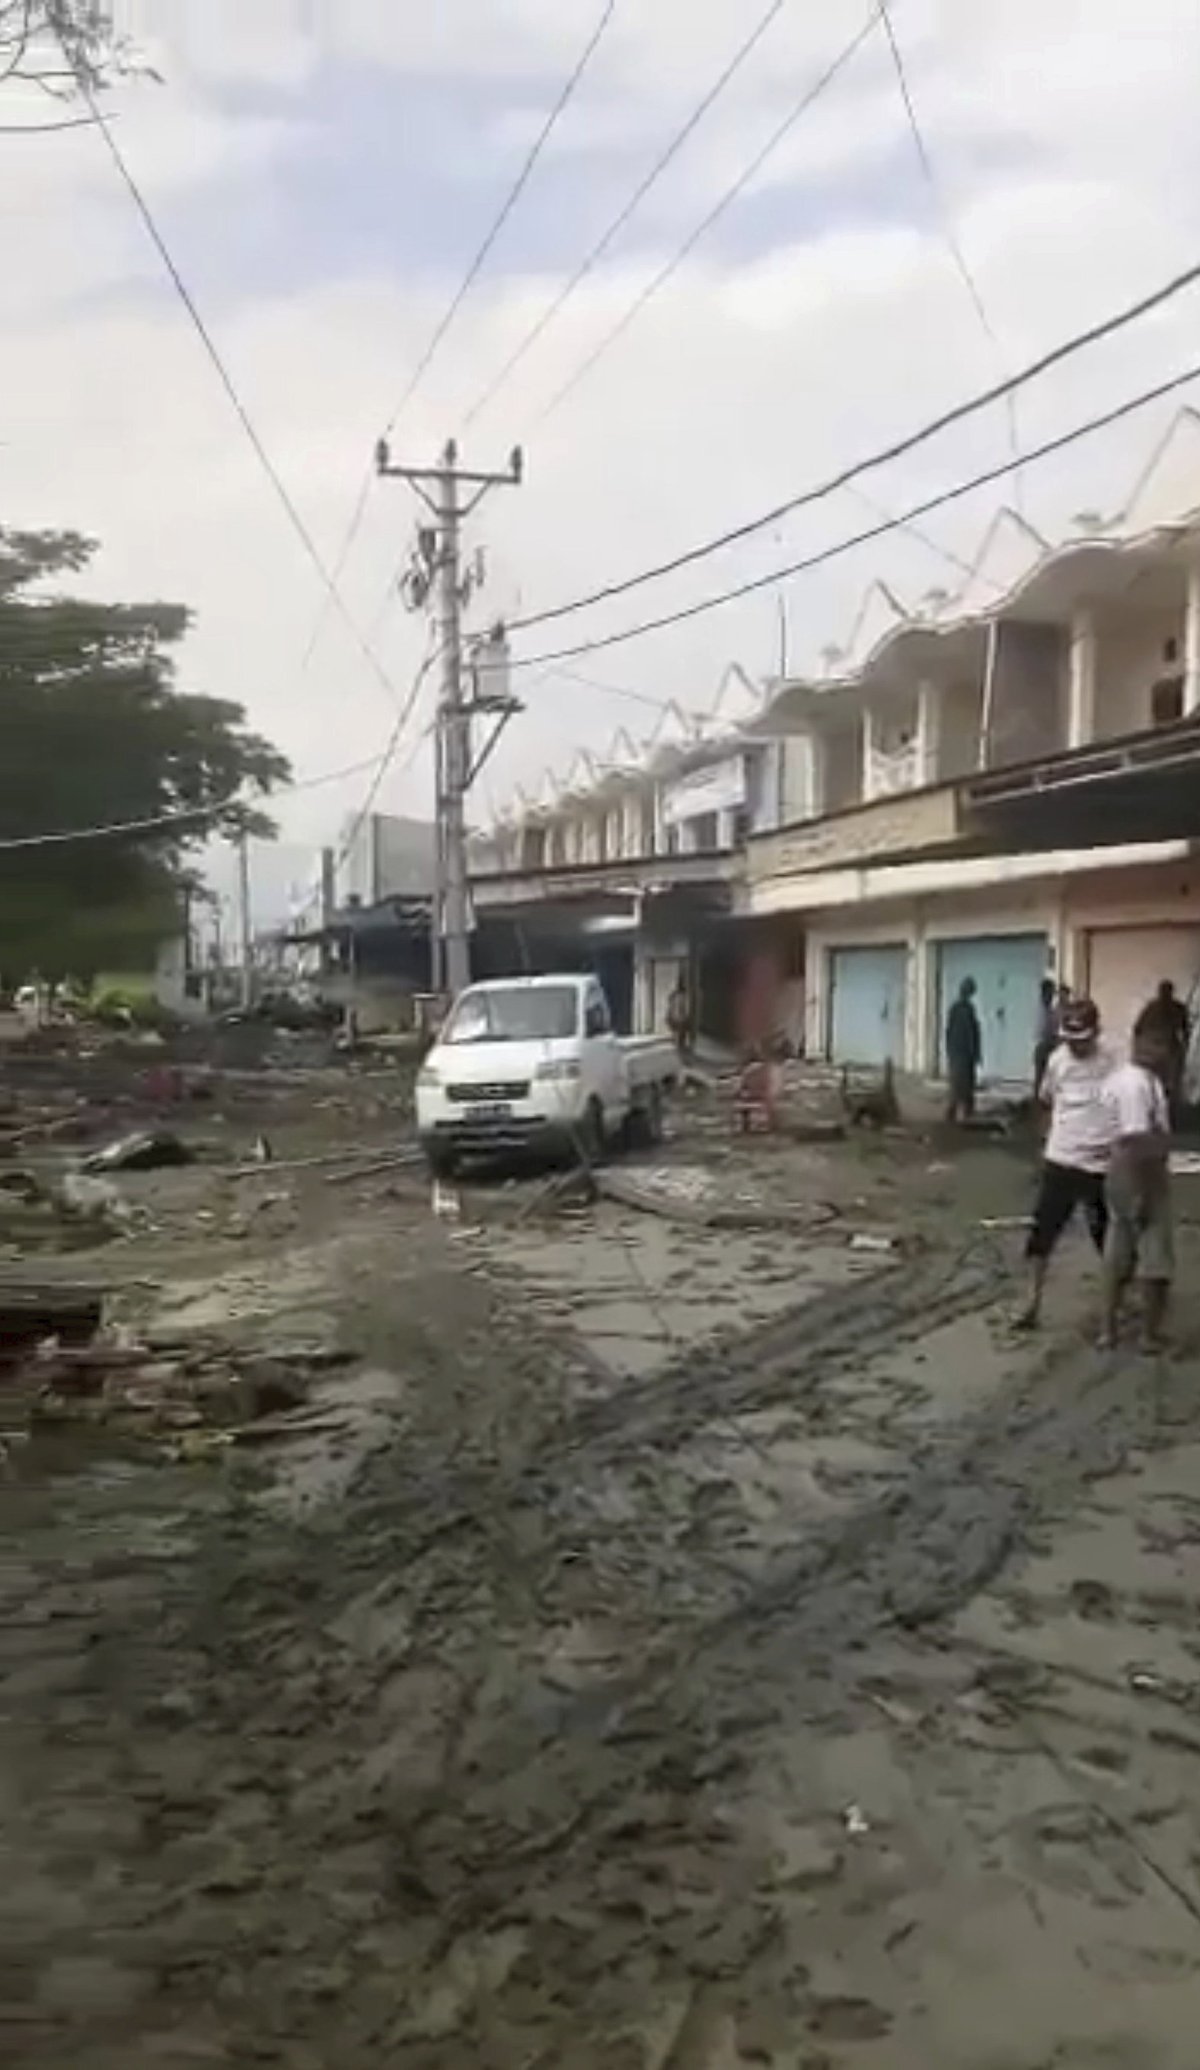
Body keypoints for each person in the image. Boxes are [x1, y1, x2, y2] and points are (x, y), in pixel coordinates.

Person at [1016, 996, 1115, 1331]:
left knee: (1108, 1237)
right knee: (1042, 1235)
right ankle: (1030, 1304)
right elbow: (1045, 1100)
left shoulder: (1112, 1062)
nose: (1075, 1046)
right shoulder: (1058, 1061)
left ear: (1096, 1033)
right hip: (1061, 1159)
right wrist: (1043, 1145)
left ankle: (1115, 1306)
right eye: (1070, 1039)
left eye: (1082, 1040)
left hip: (1099, 1165)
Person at [1099, 1029, 1174, 1350]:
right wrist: (1142, 1190)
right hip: (1140, 1172)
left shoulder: (1123, 1080)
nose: (1164, 1053)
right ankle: (1146, 1334)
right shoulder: (1137, 1085)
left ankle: (1109, 1330)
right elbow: (1136, 1140)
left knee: (1118, 1248)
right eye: (1160, 1043)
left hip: (1122, 1170)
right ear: (1143, 1043)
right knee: (1153, 1257)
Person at [1133, 979, 1190, 1125]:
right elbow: (1137, 1030)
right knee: (1154, 1086)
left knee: (1167, 1089)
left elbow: (1185, 1031)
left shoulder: (1173, 1008)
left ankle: (1167, 1120)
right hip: (1157, 1052)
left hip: (1168, 1051)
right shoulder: (1155, 1007)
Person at [944, 976, 982, 1123]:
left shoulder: (965, 1009)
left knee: (964, 1083)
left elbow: (972, 1032)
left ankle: (964, 1111)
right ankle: (954, 1112)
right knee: (960, 1083)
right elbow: (968, 1032)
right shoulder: (961, 1009)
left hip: (963, 1053)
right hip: (961, 1053)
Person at [1033, 976, 1060, 1099]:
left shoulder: (1050, 1010)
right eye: (1050, 992)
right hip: (1043, 1046)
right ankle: (1038, 1100)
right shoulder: (1040, 1009)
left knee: (1047, 1076)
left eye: (1053, 993)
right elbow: (1043, 1030)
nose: (1052, 996)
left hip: (1049, 1046)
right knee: (1040, 1076)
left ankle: (1042, 1099)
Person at [666, 979, 692, 1062]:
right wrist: (687, 1019)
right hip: (681, 1019)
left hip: (674, 1018)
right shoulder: (685, 996)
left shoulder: (673, 995)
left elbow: (669, 1006)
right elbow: (686, 1010)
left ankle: (675, 1053)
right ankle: (679, 1056)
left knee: (675, 1036)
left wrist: (669, 1016)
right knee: (681, 1039)